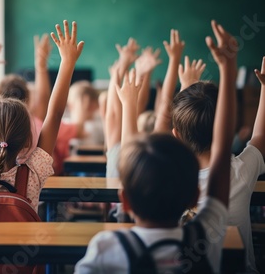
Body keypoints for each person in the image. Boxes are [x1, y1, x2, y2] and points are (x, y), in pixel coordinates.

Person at [75, 20, 237, 273]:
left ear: (125, 200)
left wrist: (228, 69)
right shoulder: (207, 237)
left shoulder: (106, 248)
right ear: (194, 196)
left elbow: (220, 149)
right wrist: (228, 70)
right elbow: (222, 149)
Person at [0, 20, 83, 212]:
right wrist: (67, 63)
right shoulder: (33, 174)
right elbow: (54, 114)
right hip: (25, 243)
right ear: (29, 140)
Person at [172, 47, 265, 271]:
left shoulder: (169, 179)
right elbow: (260, 137)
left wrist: (187, 86)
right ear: (228, 130)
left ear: (176, 136)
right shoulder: (240, 172)